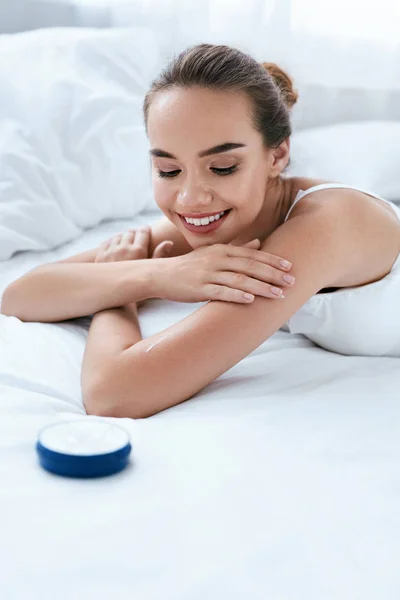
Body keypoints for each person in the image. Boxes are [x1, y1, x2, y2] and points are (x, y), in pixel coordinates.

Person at [2, 44, 400, 418]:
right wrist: (155, 274)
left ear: (277, 154)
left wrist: (118, 299)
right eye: (168, 170)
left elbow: (113, 393)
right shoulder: (216, 220)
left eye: (223, 167)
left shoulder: (329, 224)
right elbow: (22, 295)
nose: (190, 198)